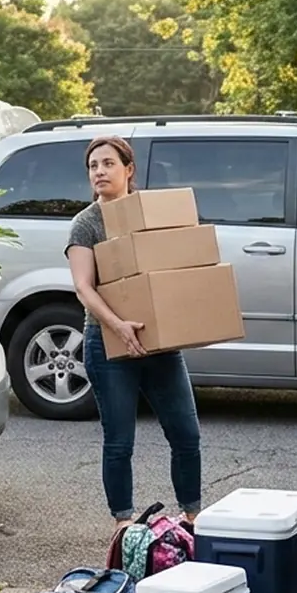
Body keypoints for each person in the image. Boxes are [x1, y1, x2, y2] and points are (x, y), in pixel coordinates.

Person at [65, 135, 203, 531]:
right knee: (120, 441)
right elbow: (83, 287)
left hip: (159, 342)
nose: (100, 172)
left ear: (129, 170)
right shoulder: (87, 223)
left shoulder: (150, 214)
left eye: (108, 164)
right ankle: (123, 524)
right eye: (93, 166)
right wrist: (118, 326)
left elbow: (176, 265)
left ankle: (192, 515)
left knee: (186, 433)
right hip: (107, 343)